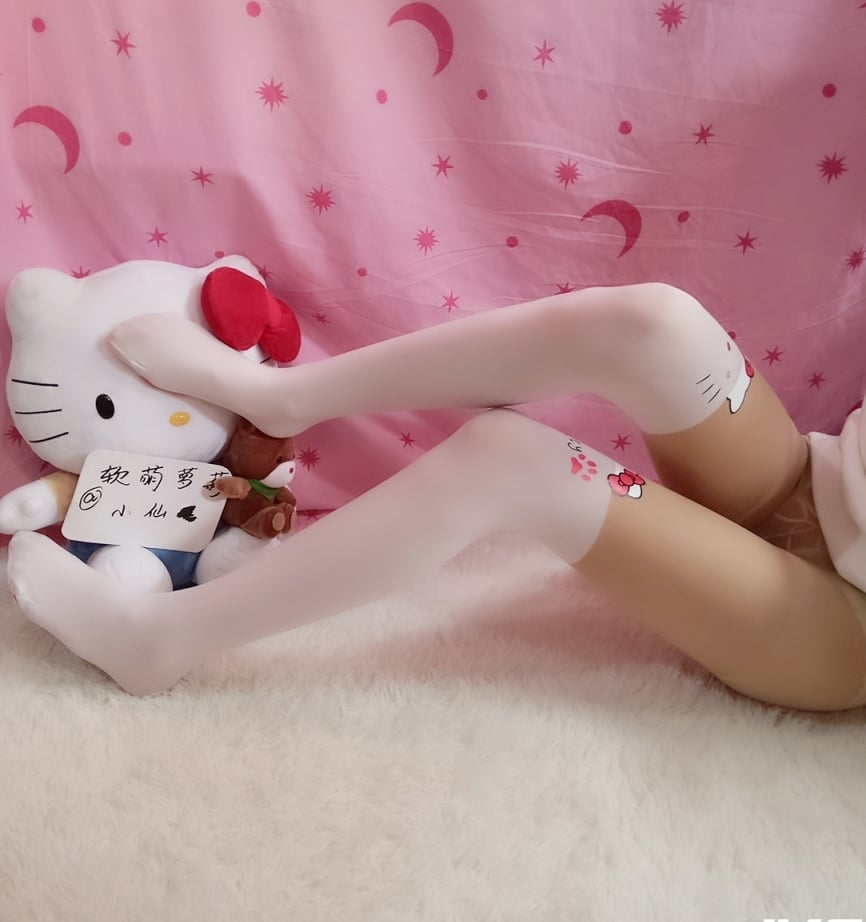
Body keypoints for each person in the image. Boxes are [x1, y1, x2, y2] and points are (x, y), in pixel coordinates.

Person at [8, 282, 866, 710]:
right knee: (654, 323)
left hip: (838, 626)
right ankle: (285, 397)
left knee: (512, 458)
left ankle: (160, 639)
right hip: (815, 474)